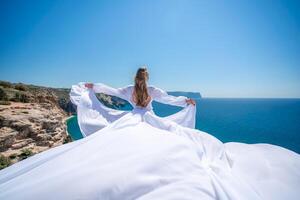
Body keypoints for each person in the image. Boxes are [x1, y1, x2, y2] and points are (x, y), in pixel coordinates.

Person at [0, 67, 299, 200]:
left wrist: (92, 87)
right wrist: (186, 102)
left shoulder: (129, 89)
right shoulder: (152, 90)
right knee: (183, 141)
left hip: (132, 119)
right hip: (152, 120)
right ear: (148, 78)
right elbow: (170, 98)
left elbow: (107, 90)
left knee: (117, 145)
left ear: (134, 78)